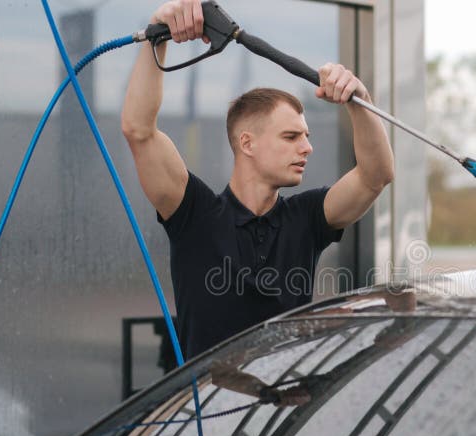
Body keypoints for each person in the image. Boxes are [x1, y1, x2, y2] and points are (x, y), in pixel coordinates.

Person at [121, 0, 394, 360]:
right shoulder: (196, 213)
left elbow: (376, 176)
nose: (308, 148)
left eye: (307, 136)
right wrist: (158, 31)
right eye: (291, 137)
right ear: (247, 143)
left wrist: (358, 100)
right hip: (211, 412)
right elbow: (139, 130)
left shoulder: (307, 217)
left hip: (283, 411)